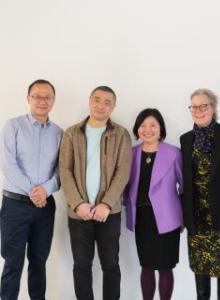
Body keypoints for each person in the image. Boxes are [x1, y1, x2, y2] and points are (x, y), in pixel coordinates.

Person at [59, 85, 131, 300]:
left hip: (109, 213)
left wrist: (106, 204)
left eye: (107, 102)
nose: (101, 105)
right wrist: (78, 203)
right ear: (89, 101)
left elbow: (123, 171)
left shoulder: (121, 134)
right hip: (78, 213)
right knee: (81, 265)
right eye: (97, 100)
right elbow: (65, 169)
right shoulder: (72, 133)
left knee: (110, 265)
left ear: (113, 106)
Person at [0, 79, 62, 300]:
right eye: (37, 96)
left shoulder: (59, 133)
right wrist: (33, 192)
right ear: (28, 99)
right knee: (13, 263)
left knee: (38, 262)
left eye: (47, 97)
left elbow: (61, 171)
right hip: (15, 205)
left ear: (53, 101)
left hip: (45, 207)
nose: (42, 101)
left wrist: (44, 190)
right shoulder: (12, 126)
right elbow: (8, 164)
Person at [180, 89, 220, 300]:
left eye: (203, 105)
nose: (198, 110)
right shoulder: (185, 139)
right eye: (194, 106)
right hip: (197, 217)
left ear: (213, 108)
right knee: (201, 275)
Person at [124, 108, 183, 300]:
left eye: (152, 125)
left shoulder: (173, 153)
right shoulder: (131, 153)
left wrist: (182, 219)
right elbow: (125, 184)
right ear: (137, 129)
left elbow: (184, 187)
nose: (147, 129)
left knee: (165, 267)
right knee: (147, 266)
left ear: (160, 129)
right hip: (142, 219)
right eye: (143, 125)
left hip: (167, 219)